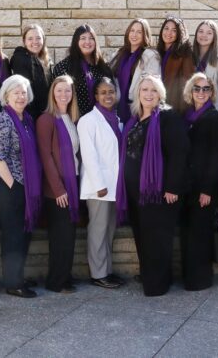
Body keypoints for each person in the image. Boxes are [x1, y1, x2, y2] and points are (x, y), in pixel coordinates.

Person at [117, 75, 189, 297]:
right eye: (144, 89)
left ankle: (157, 284)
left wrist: (172, 188)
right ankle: (149, 274)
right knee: (141, 234)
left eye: (153, 90)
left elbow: (179, 154)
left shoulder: (168, 118)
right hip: (135, 192)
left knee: (157, 237)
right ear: (138, 93)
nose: (148, 94)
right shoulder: (135, 119)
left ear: (161, 94)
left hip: (158, 192)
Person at [0, 75, 42, 298]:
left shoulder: (26, 119)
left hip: (25, 185)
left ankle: (17, 275)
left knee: (23, 233)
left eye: (23, 92)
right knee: (13, 235)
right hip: (8, 186)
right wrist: (13, 185)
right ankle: (13, 283)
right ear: (6, 96)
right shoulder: (3, 120)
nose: (20, 96)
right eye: (15, 92)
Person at [179, 73, 218, 291]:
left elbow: (216, 157)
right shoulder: (186, 116)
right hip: (187, 186)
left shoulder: (215, 118)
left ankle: (200, 279)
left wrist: (208, 190)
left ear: (212, 93)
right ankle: (189, 276)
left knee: (200, 235)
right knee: (187, 233)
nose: (201, 92)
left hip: (204, 189)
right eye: (197, 88)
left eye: (206, 89)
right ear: (190, 91)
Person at [77, 78, 126, 289]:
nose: (107, 96)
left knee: (109, 230)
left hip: (115, 186)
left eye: (111, 92)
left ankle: (107, 270)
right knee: (98, 230)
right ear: (95, 96)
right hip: (99, 187)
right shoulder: (88, 120)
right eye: (103, 92)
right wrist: (99, 184)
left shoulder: (116, 119)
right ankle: (98, 274)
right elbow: (88, 155)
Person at [36, 75, 81, 294]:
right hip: (57, 190)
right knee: (60, 237)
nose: (64, 94)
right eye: (59, 90)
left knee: (68, 235)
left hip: (73, 183)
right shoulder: (46, 119)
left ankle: (65, 276)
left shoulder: (72, 119)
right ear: (52, 93)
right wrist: (58, 189)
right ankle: (56, 281)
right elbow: (46, 157)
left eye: (68, 91)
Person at [50, 25, 112, 115]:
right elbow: (56, 97)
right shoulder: (63, 67)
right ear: (76, 41)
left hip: (102, 118)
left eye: (91, 38)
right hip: (75, 119)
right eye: (83, 38)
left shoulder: (103, 67)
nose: (87, 42)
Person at [110, 19, 161, 122]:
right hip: (117, 108)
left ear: (145, 35)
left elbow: (152, 86)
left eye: (139, 32)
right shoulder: (118, 55)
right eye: (132, 30)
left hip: (138, 109)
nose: (134, 34)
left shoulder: (150, 56)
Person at [192, 21, 218, 119]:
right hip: (193, 111)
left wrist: (217, 116)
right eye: (201, 31)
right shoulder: (192, 56)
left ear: (215, 36)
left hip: (213, 112)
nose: (204, 35)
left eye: (209, 33)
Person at [11, 24, 52, 117]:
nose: (35, 42)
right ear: (24, 41)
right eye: (30, 39)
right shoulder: (21, 59)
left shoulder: (45, 60)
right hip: (32, 116)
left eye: (38, 38)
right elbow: (25, 92)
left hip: (46, 113)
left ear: (43, 40)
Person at [158, 16, 196, 111]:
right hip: (157, 102)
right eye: (166, 28)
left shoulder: (185, 53)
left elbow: (188, 83)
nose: (169, 33)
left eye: (174, 30)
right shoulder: (158, 52)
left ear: (179, 33)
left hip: (175, 106)